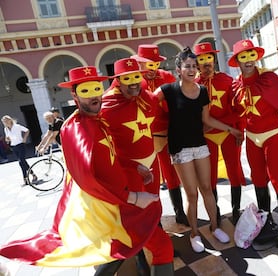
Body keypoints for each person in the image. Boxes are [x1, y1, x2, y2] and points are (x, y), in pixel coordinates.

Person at [0, 66, 174, 276]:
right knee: (143, 247)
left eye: (96, 88)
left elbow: (110, 157)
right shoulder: (78, 129)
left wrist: (134, 166)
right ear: (74, 95)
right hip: (105, 209)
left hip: (116, 203)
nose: (93, 96)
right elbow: (89, 179)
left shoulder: (95, 120)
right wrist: (134, 198)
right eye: (86, 90)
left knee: (120, 251)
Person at [153, 47, 241, 253]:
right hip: (180, 150)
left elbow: (207, 119)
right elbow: (147, 103)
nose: (192, 70)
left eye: (194, 66)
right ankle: (194, 234)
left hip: (200, 146)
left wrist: (231, 129)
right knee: (191, 195)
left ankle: (215, 226)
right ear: (179, 69)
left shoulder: (202, 91)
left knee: (207, 189)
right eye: (188, 66)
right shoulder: (168, 90)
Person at [100, 58, 174, 274]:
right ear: (117, 81)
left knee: (153, 210)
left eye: (136, 78)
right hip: (128, 172)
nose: (134, 84)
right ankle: (143, 263)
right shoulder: (106, 106)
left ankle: (155, 253)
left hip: (152, 164)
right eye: (127, 79)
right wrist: (129, 166)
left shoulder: (146, 97)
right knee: (133, 223)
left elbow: (160, 105)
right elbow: (101, 147)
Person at [228, 39, 278, 248]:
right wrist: (237, 132)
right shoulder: (236, 85)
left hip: (273, 135)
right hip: (252, 138)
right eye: (244, 56)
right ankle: (266, 224)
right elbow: (238, 113)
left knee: (277, 180)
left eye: (251, 55)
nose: (249, 61)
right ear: (237, 61)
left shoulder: (269, 79)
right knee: (258, 179)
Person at [133, 44, 189, 226]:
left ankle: (180, 211)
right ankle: (154, 221)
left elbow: (179, 103)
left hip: (166, 135)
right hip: (142, 139)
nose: (152, 69)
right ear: (139, 63)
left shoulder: (167, 78)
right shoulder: (132, 82)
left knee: (172, 175)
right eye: (148, 64)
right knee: (149, 179)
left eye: (155, 64)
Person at [194, 42, 246, 225]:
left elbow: (238, 109)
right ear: (196, 63)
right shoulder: (192, 85)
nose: (205, 62)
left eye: (209, 58)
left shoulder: (226, 80)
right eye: (201, 59)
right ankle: (214, 211)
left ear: (214, 59)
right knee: (210, 177)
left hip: (227, 134)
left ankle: (236, 209)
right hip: (205, 137)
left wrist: (227, 126)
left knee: (234, 172)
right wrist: (200, 128)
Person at [1, 115, 37, 185]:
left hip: (20, 145)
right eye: (4, 122)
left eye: (6, 121)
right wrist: (7, 140)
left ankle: (25, 178)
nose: (5, 123)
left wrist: (24, 138)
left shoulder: (17, 126)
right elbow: (7, 138)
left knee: (21, 162)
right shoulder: (6, 129)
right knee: (23, 162)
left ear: (10, 120)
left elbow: (27, 130)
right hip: (13, 146)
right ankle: (33, 175)